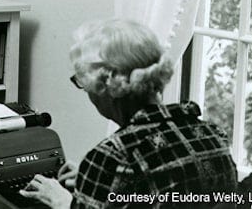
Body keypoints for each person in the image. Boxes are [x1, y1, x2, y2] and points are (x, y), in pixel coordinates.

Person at [19, 19, 238, 208]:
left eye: (82, 82)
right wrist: (99, 184)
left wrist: (63, 202)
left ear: (105, 85)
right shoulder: (213, 135)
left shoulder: (111, 157)